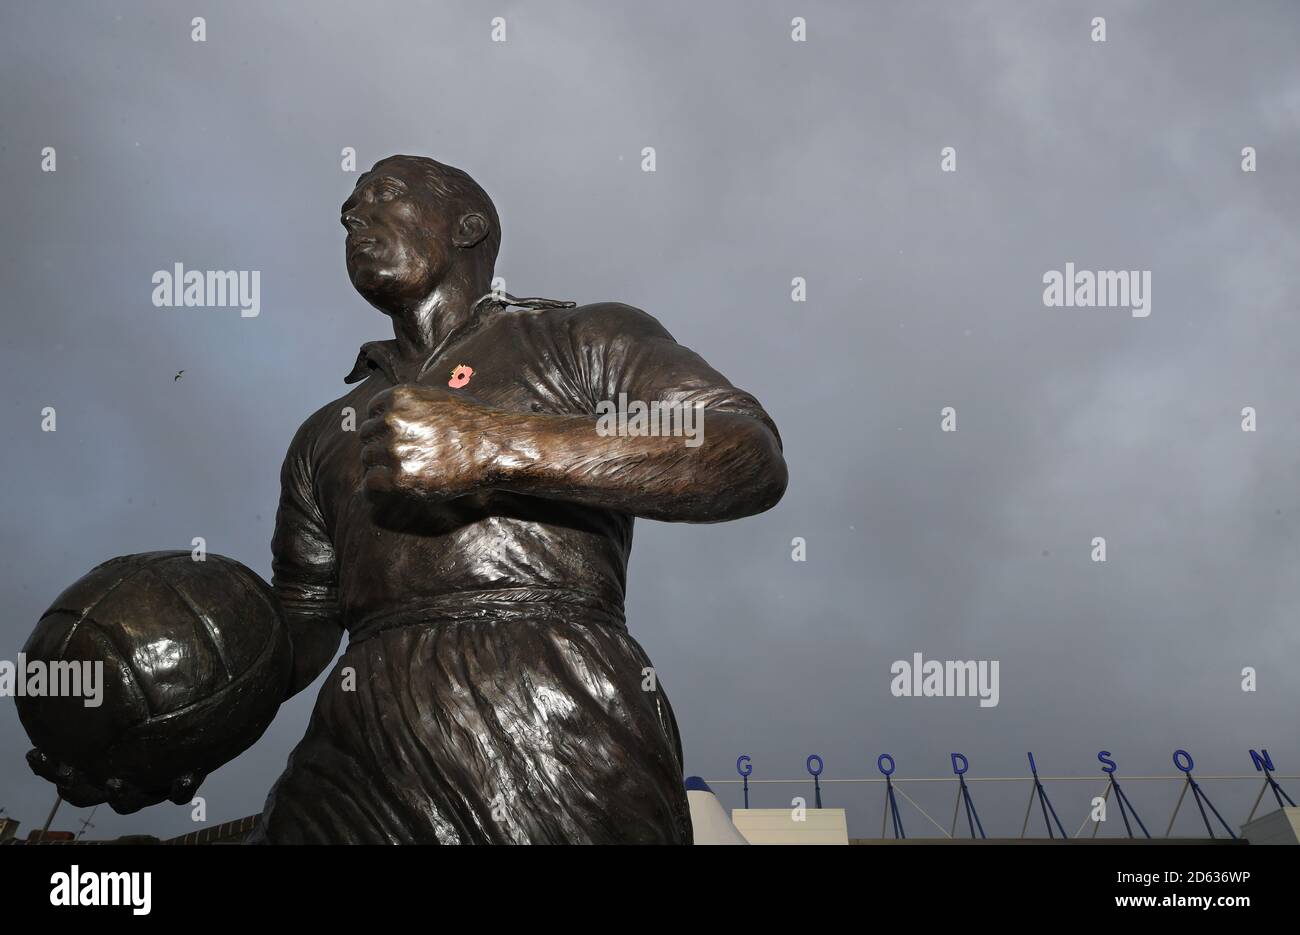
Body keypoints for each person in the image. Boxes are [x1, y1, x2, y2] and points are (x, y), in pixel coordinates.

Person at [250, 154, 787, 843]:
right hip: (356, 741)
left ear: (468, 226)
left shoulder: (579, 338)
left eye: (383, 195)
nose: (355, 216)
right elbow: (302, 614)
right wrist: (186, 698)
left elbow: (744, 451)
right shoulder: (327, 431)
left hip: (553, 705)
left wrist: (497, 446)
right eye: (348, 211)